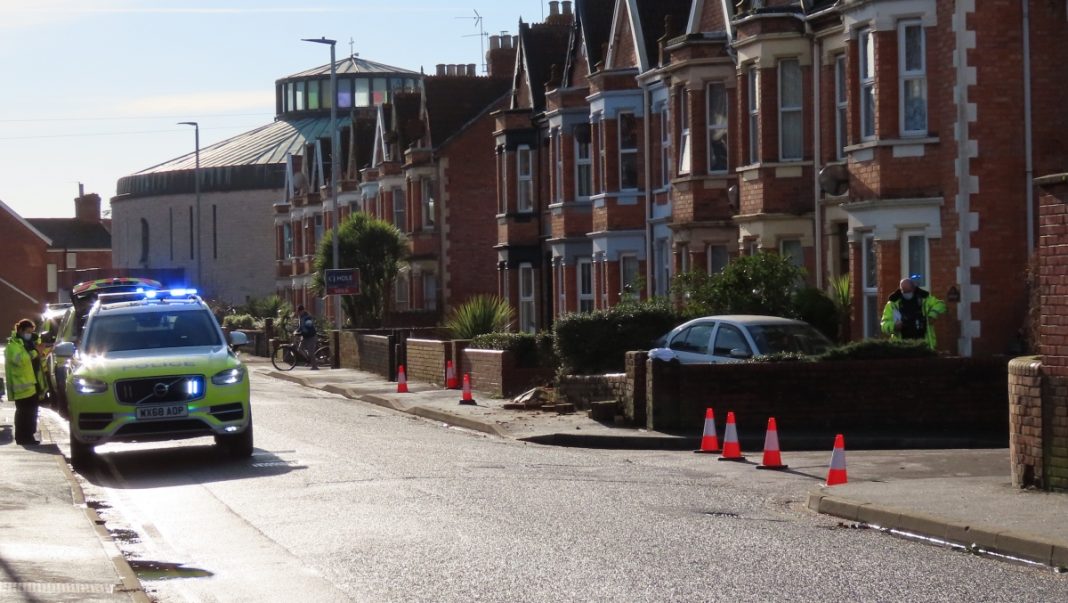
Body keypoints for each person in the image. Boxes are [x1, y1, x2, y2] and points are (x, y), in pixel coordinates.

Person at [5, 319, 44, 445]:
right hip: (22, 386)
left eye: (32, 332)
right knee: (23, 414)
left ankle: (29, 436)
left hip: (32, 385)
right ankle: (22, 437)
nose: (30, 334)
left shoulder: (28, 343)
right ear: (20, 330)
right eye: (28, 332)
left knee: (31, 414)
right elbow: (21, 360)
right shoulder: (13, 346)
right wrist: (36, 351)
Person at [881, 278, 947, 350]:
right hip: (901, 346)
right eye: (904, 292)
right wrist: (894, 326)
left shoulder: (924, 298)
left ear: (914, 288)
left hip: (923, 344)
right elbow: (884, 324)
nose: (906, 294)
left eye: (908, 291)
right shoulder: (893, 304)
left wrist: (932, 315)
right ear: (900, 290)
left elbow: (940, 305)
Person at [295, 305, 318, 370]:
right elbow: (300, 327)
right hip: (304, 336)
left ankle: (314, 366)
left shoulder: (308, 317)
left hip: (311, 336)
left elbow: (309, 328)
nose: (299, 313)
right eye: (298, 312)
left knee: (311, 351)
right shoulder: (300, 317)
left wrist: (300, 333)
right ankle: (308, 359)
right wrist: (296, 331)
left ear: (303, 310)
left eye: (300, 311)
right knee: (299, 349)